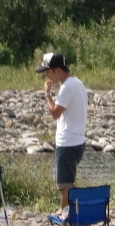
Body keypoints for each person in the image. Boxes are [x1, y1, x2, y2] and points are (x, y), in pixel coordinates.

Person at [35, 51, 88, 214]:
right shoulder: (78, 83)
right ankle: (80, 212)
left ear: (57, 70)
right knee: (69, 183)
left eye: (48, 71)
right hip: (78, 140)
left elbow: (55, 113)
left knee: (64, 187)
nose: (47, 75)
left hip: (67, 142)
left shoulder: (66, 87)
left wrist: (48, 95)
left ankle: (66, 222)